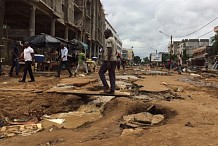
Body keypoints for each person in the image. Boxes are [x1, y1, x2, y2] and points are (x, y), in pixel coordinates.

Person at [99, 29, 117, 95]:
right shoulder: (114, 40)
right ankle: (112, 90)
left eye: (105, 33)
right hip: (114, 60)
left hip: (109, 60)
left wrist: (108, 61)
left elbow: (109, 50)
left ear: (108, 33)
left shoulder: (109, 39)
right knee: (112, 75)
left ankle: (106, 86)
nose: (104, 35)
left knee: (101, 72)